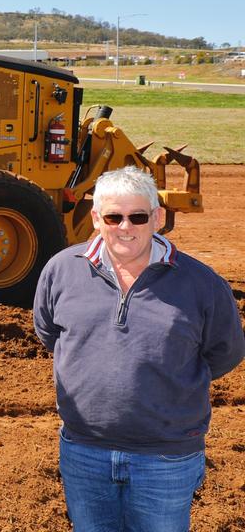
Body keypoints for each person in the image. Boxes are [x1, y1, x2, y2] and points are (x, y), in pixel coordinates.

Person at [34, 166, 244, 531]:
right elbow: (50, 333)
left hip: (165, 457)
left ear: (158, 218)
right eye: (114, 216)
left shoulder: (202, 284)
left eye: (138, 216)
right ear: (96, 218)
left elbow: (224, 352)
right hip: (84, 451)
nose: (125, 227)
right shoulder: (62, 270)